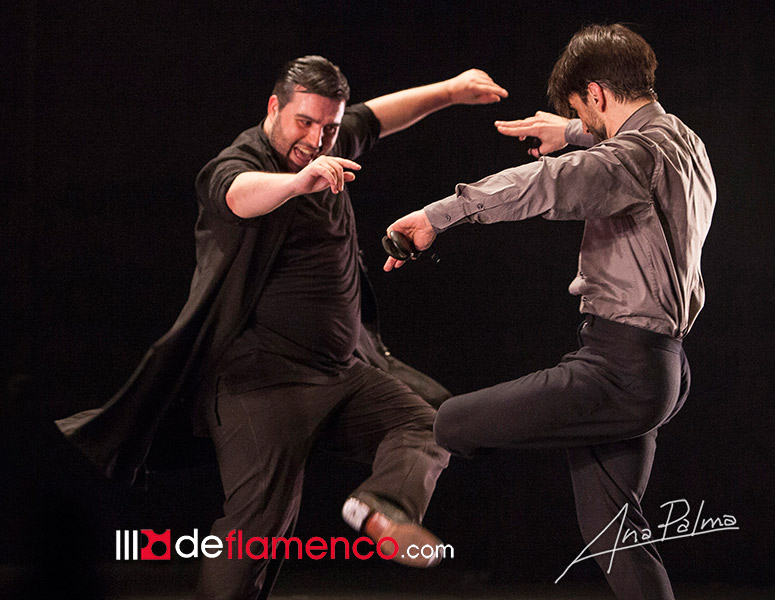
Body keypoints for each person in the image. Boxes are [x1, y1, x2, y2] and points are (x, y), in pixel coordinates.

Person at [56, 56, 508, 599]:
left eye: (328, 128)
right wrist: (295, 183)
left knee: (428, 425)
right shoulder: (244, 161)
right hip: (260, 382)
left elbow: (375, 117)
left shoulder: (326, 143)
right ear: (274, 107)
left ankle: (383, 507)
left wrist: (451, 90)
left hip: (340, 374)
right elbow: (236, 192)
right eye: (304, 122)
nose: (315, 139)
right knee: (259, 530)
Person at [382, 24, 716, 600]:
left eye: (582, 111)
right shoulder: (685, 142)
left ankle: (383, 499)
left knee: (450, 422)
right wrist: (571, 129)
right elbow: (623, 145)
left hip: (618, 370)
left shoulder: (629, 159)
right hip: (660, 367)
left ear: (597, 93)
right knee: (612, 533)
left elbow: (548, 181)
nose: (582, 125)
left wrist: (438, 216)